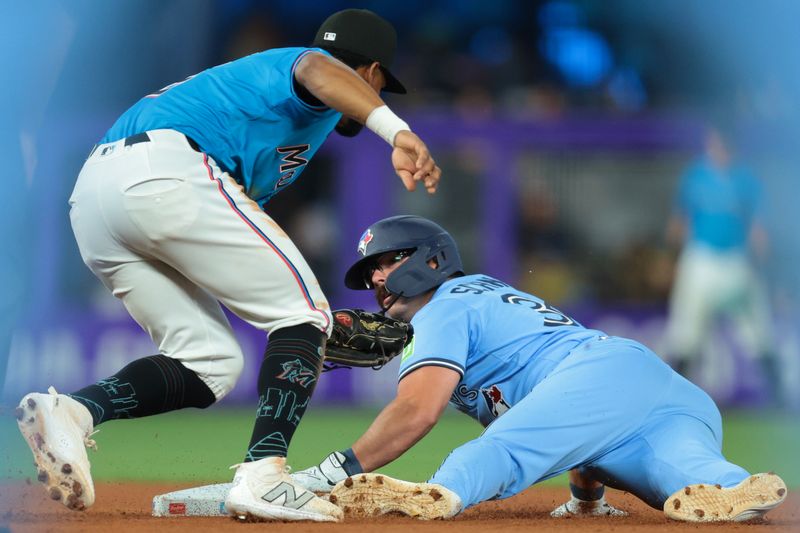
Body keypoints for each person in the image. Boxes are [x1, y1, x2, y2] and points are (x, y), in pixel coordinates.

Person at [14, 9, 441, 523]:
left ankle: (73, 412)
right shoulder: (307, 69)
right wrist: (396, 131)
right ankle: (265, 476)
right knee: (302, 312)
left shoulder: (292, 116)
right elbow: (319, 70)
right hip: (166, 171)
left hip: (98, 199)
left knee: (212, 363)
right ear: (371, 73)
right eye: (380, 85)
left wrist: (303, 341)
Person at [292, 215, 787, 523]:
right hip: (662, 391)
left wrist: (334, 471)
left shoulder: (442, 306)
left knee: (505, 445)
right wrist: (586, 499)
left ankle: (442, 492)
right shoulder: (482, 290)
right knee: (682, 477)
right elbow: (575, 415)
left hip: (598, 377)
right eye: (368, 272)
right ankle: (736, 484)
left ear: (429, 260)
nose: (375, 279)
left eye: (386, 261)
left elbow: (418, 411)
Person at [663, 126, 780, 402]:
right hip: (701, 259)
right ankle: (674, 398)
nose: (719, 148)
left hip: (736, 262)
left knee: (759, 329)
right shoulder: (696, 176)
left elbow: (758, 229)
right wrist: (671, 256)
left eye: (724, 143)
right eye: (715, 142)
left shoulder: (746, 179)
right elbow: (680, 220)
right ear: (709, 142)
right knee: (686, 330)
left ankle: (780, 398)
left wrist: (765, 260)